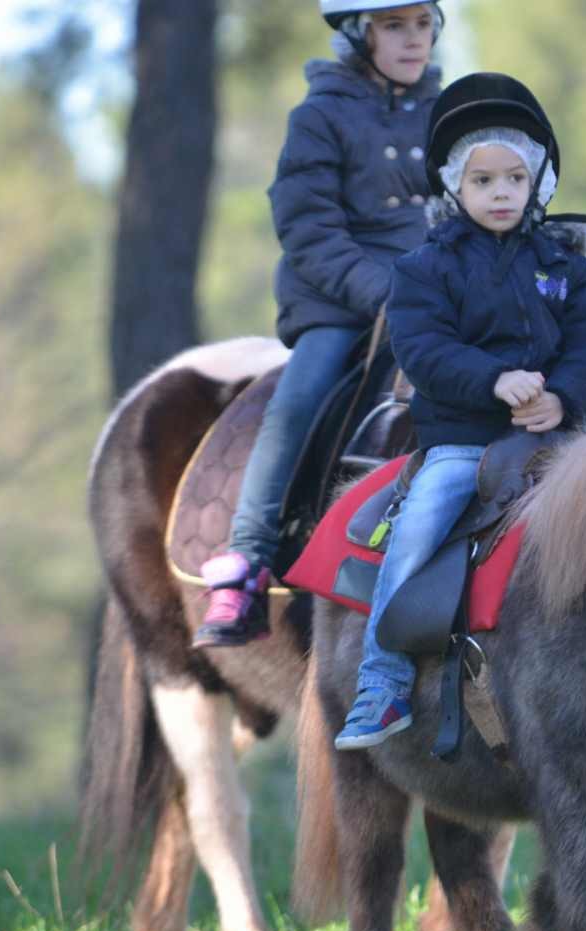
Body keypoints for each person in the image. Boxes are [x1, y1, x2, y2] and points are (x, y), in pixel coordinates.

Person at [333, 73, 586, 748]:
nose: (500, 193)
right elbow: (424, 348)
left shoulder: (569, 268)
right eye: (483, 180)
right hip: (465, 444)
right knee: (421, 521)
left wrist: (563, 398)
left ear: (537, 185)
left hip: (566, 443)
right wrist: (494, 381)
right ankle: (382, 681)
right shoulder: (423, 269)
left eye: (514, 179)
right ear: (455, 189)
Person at [195, 1, 445, 647]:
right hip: (341, 300)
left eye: (422, 24)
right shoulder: (319, 116)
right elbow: (307, 226)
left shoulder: (453, 113)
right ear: (360, 35)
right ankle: (246, 560)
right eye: (394, 26)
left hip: (438, 297)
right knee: (301, 394)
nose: (412, 40)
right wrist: (381, 292)